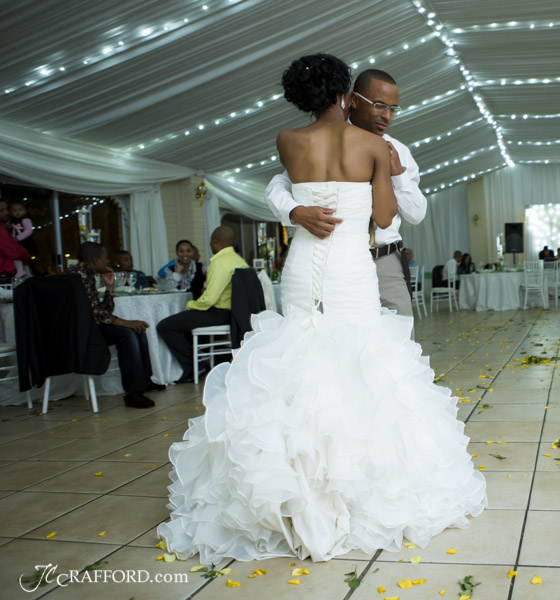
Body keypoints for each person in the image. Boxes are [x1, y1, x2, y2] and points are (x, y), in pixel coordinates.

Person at [157, 53, 486, 565]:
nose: (386, 113)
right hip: (352, 268)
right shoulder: (373, 147)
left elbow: (281, 185)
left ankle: (293, 486)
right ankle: (356, 480)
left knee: (300, 356)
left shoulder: (287, 141)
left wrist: (299, 210)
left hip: (301, 269)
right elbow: (384, 217)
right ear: (346, 96)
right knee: (359, 360)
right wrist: (380, 176)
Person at [266, 68, 427, 320]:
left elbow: (416, 214)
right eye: (379, 106)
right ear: (353, 100)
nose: (387, 116)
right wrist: (295, 211)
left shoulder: (399, 151)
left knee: (398, 336)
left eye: (393, 109)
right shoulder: (316, 141)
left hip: (384, 261)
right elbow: (279, 186)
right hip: (332, 265)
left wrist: (397, 173)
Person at [66, 242, 165, 408]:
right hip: (80, 332)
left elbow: (102, 311)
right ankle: (134, 394)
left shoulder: (84, 273)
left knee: (136, 330)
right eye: (105, 258)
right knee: (127, 333)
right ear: (95, 260)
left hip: (87, 327)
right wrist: (127, 323)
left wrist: (109, 288)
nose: (107, 262)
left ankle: (144, 381)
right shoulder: (80, 276)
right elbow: (97, 314)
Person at [157, 227, 249, 383]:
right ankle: (197, 363)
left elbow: (209, 300)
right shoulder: (239, 260)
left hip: (220, 312)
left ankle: (195, 366)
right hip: (235, 313)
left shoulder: (219, 262)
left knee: (165, 326)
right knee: (183, 321)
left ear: (215, 242)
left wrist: (190, 305)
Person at [0, 200, 31, 278]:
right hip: (5, 270)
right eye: (1, 210)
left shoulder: (10, 223)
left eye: (7, 209)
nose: (6, 212)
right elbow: (12, 250)